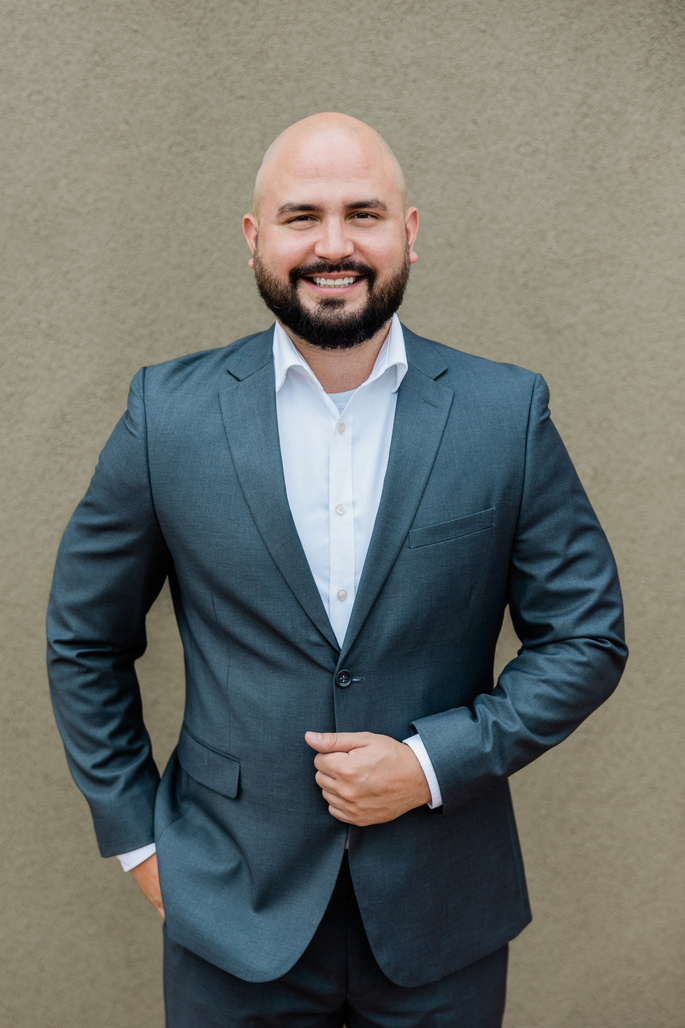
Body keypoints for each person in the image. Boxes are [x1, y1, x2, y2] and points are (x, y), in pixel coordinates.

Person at [47, 113, 627, 1027]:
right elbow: (84, 638)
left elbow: (586, 638)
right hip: (227, 914)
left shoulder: (503, 412)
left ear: (408, 232)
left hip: (443, 920)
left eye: (363, 214)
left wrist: (432, 763)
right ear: (253, 240)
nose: (332, 245)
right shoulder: (167, 415)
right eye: (300, 216)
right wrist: (140, 849)